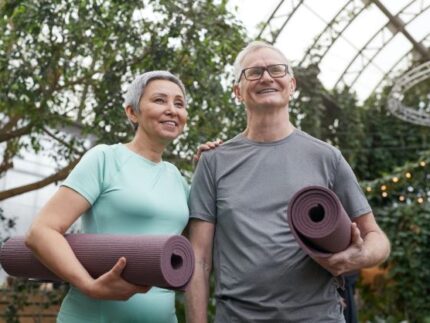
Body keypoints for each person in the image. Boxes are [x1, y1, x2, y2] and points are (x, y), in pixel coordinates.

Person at [185, 41, 391, 323]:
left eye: (276, 70)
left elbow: (377, 239)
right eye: (254, 72)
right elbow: (198, 259)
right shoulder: (213, 162)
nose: (267, 77)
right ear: (237, 92)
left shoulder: (327, 157)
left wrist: (355, 257)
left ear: (291, 85)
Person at [26, 71, 200, 323]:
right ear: (132, 112)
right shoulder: (105, 159)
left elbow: (197, 246)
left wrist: (209, 168)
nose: (172, 110)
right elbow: (41, 231)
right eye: (160, 100)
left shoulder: (177, 178)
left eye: (179, 103)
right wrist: (88, 285)